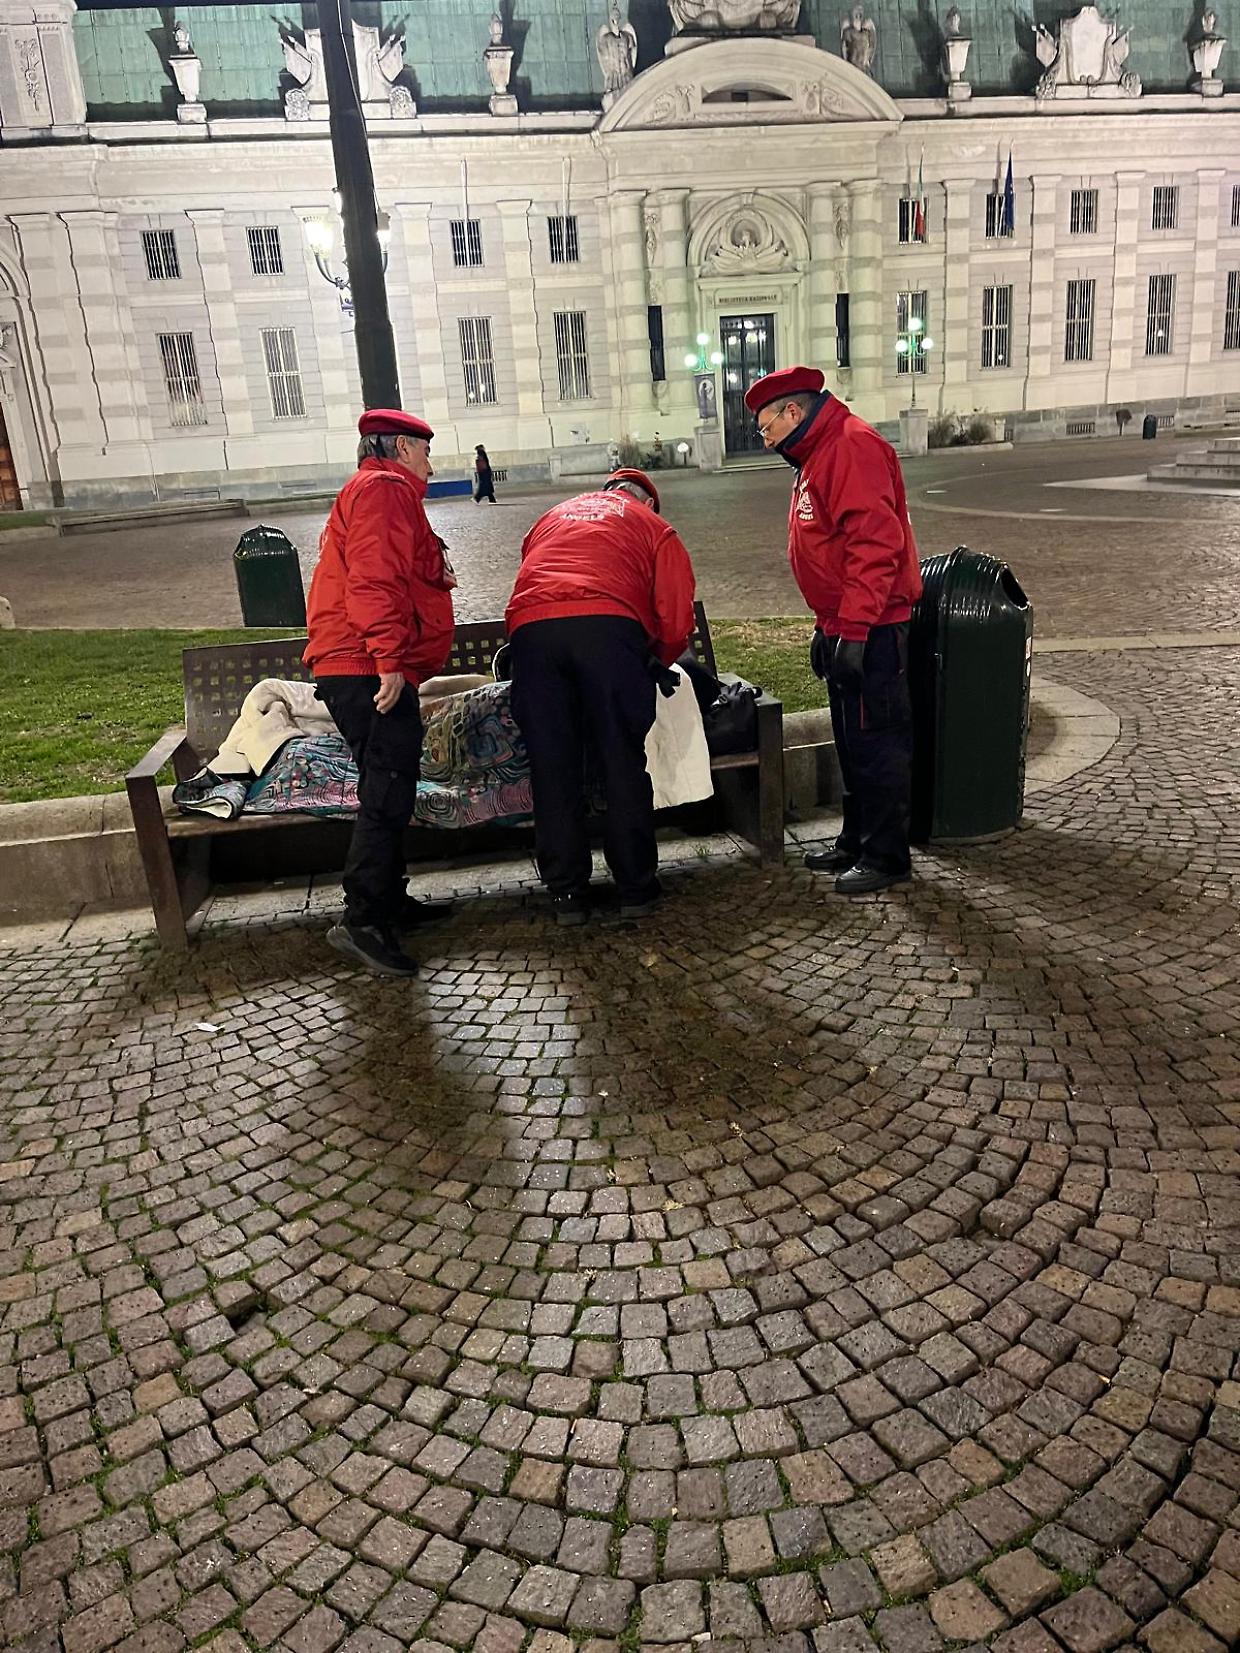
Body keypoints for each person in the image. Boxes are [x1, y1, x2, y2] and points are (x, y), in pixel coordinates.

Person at [745, 365, 922, 895]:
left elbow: (874, 544)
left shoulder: (848, 446)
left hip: (875, 624)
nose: (765, 436)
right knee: (850, 740)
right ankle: (857, 838)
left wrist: (857, 628)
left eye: (766, 425)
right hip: (847, 620)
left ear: (793, 412)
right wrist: (832, 626)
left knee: (877, 742)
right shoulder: (818, 451)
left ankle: (887, 854)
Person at [505, 469, 696, 925]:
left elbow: (530, 567)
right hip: (608, 633)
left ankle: (567, 893)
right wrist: (654, 658)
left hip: (534, 635)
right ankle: (635, 887)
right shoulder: (653, 526)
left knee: (553, 768)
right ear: (647, 502)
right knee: (621, 763)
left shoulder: (552, 516)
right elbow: (675, 617)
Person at [304, 408, 458, 975]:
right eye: (423, 452)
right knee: (387, 787)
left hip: (361, 661)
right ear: (397, 447)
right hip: (366, 665)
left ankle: (388, 901)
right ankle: (363, 918)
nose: (430, 464)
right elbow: (376, 575)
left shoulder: (377, 490)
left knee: (390, 784)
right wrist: (390, 657)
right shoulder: (385, 488)